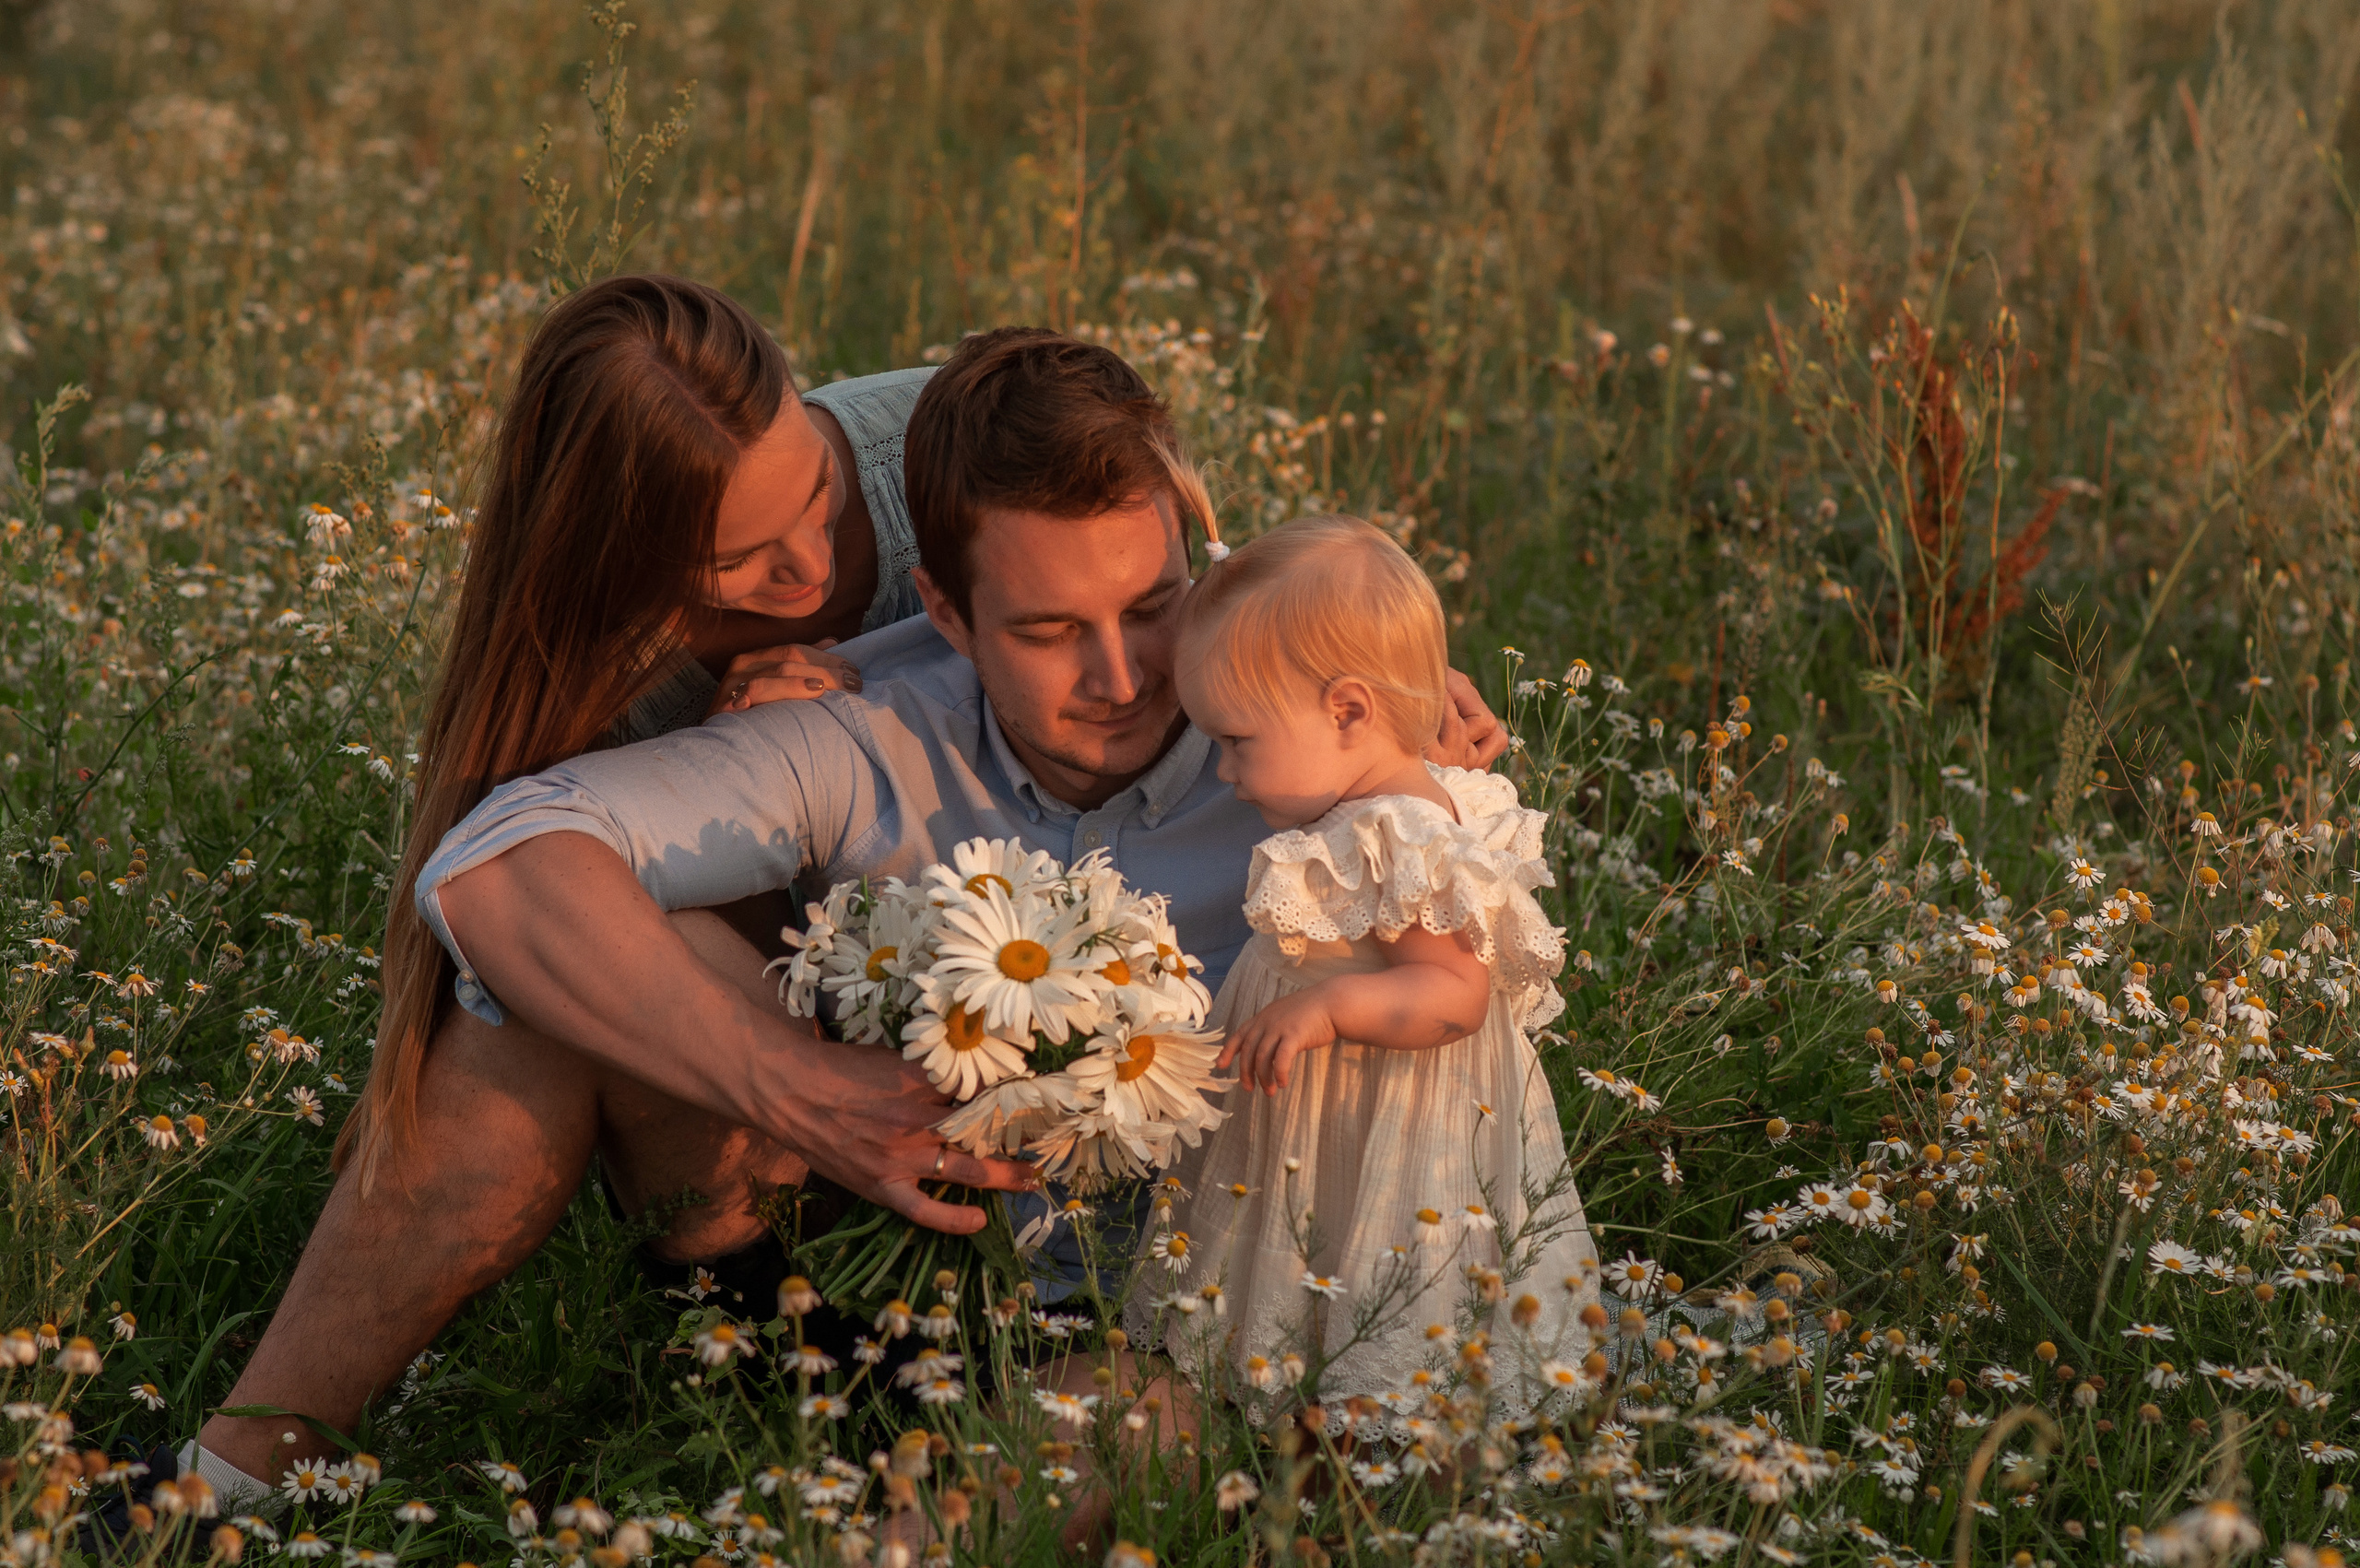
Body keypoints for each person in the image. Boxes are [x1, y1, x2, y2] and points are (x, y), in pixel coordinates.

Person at [186, 321, 1508, 1504]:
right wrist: (796, 1083)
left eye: (1154, 609)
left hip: (1174, 1324)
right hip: (862, 1253)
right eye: (1049, 630)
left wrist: (1373, 684)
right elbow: (491, 862)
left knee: (1085, 1450)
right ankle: (232, 1483)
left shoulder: (1318, 762)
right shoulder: (856, 721)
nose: (1121, 676)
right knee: (545, 988)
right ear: (942, 608)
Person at [1138, 514, 1599, 1413]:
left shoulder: (1400, 836)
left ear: (1348, 710)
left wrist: (1325, 1010)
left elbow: (1454, 994)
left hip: (1379, 1114)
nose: (1223, 771)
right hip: (1331, 1104)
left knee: (1375, 1288)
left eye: (1236, 740)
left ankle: (1361, 1455)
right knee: (1317, 1273)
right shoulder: (1384, 794)